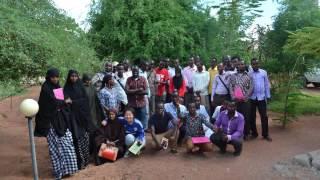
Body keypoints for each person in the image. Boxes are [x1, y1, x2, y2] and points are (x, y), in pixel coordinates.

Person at [34, 68, 78, 179]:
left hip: (60, 120)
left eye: (57, 77)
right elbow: (54, 103)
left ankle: (68, 170)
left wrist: (62, 103)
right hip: (50, 123)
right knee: (55, 148)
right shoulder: (46, 88)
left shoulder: (57, 86)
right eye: (53, 77)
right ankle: (59, 172)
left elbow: (60, 102)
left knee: (67, 143)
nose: (55, 79)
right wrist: (64, 102)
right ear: (48, 77)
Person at [64, 70, 93, 170]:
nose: (74, 78)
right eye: (72, 76)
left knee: (85, 137)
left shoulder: (81, 86)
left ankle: (86, 160)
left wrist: (73, 102)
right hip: (73, 118)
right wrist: (69, 102)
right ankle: (79, 162)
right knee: (76, 138)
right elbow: (64, 102)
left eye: (75, 76)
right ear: (69, 77)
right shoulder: (65, 88)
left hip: (82, 116)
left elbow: (85, 100)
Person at [249, 58, 272, 141]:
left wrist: (268, 96)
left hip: (261, 98)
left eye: (257, 63)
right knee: (252, 116)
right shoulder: (249, 74)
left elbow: (266, 85)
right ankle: (254, 133)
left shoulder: (263, 72)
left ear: (259, 64)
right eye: (254, 64)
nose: (255, 65)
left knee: (264, 116)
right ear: (251, 65)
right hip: (252, 98)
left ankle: (265, 134)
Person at [229, 61, 253, 140]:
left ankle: (246, 133)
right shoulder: (233, 76)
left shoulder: (249, 76)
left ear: (244, 65)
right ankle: (238, 134)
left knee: (246, 117)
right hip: (235, 101)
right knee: (236, 117)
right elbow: (231, 87)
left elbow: (251, 87)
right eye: (239, 64)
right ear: (237, 66)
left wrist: (245, 97)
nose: (240, 66)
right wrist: (233, 97)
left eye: (242, 64)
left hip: (245, 101)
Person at [82, 74, 105, 155]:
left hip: (94, 113)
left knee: (95, 131)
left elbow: (97, 101)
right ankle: (89, 151)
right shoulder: (81, 88)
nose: (88, 82)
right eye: (86, 80)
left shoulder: (92, 88)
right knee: (88, 132)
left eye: (89, 80)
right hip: (85, 114)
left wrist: (101, 115)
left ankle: (94, 151)